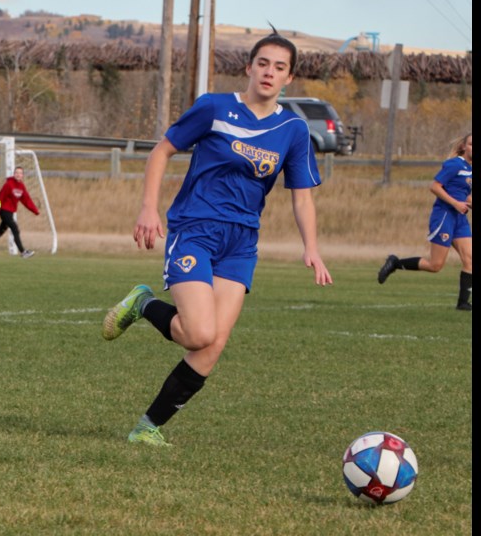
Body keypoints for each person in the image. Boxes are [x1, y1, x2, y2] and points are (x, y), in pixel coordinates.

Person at [101, 31, 333, 448]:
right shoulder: (214, 107)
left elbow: (303, 198)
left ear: (289, 78)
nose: (269, 72)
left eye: (279, 67)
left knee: (212, 345)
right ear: (249, 67)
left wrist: (311, 247)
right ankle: (143, 303)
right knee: (197, 333)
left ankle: (146, 427)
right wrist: (148, 209)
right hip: (195, 229)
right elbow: (161, 152)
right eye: (263, 63)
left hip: (241, 243)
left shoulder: (293, 129)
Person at [377, 132, 472, 311]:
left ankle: (463, 303)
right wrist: (455, 203)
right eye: (471, 144)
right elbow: (434, 187)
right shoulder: (454, 164)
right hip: (444, 216)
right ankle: (395, 263)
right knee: (435, 265)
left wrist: (465, 203)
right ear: (463, 147)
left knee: (470, 259)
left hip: (460, 218)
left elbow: (464, 194)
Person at [0, 166, 40, 258]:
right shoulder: (8, 184)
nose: (18, 174)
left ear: (22, 175)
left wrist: (35, 211)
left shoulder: (21, 186)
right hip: (4, 211)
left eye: (20, 173)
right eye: (16, 172)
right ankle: (23, 252)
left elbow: (27, 200)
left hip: (10, 213)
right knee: (15, 229)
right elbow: (0, 197)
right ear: (14, 174)